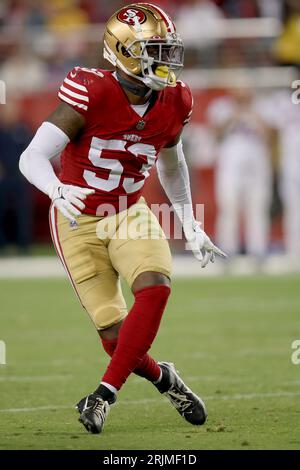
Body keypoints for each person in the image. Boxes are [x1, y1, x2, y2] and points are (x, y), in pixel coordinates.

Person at [19, 3, 225, 435]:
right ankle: (165, 378)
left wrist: (188, 221)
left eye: (169, 50)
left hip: (128, 211)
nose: (167, 61)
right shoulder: (91, 90)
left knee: (155, 287)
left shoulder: (176, 99)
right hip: (77, 221)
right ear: (123, 51)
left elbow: (172, 164)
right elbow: (32, 156)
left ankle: (103, 395)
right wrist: (56, 188)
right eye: (156, 50)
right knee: (115, 339)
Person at [207, 88, 273, 259]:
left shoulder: (263, 107)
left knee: (258, 207)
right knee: (228, 206)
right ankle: (228, 250)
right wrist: (234, 115)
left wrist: (254, 115)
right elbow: (215, 135)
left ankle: (258, 250)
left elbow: (271, 136)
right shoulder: (222, 107)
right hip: (230, 166)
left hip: (257, 165)